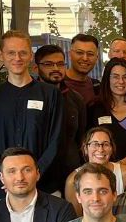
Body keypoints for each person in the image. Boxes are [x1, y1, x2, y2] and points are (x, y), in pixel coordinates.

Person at [0, 30, 62, 201]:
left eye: (23, 53)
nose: (17, 58)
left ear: (31, 56)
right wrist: (3, 178)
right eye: (11, 53)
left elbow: (56, 140)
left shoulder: (51, 95)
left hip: (44, 186)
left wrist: (35, 173)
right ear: (1, 55)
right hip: (4, 190)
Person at [35, 44, 88, 196]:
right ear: (36, 67)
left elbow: (81, 138)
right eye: (49, 64)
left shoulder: (75, 99)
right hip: (40, 177)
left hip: (70, 176)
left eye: (60, 64)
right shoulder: (30, 97)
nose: (56, 68)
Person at [65, 127, 126, 213]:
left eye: (106, 144)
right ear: (85, 148)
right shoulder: (72, 181)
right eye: (95, 144)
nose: (100, 149)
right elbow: (76, 217)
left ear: (112, 148)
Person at [62, 34, 101, 105]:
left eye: (90, 54)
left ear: (97, 58)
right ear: (70, 54)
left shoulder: (97, 87)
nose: (85, 58)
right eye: (79, 53)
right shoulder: (57, 84)